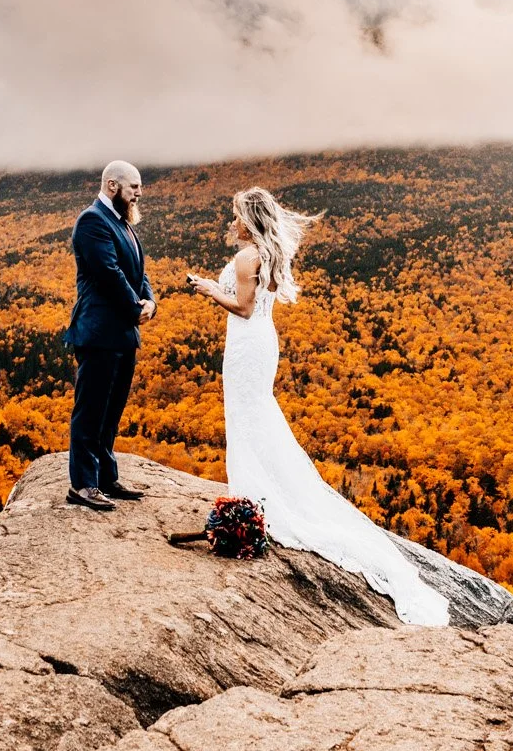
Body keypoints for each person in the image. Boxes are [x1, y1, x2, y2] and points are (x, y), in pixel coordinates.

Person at [188, 188, 449, 626]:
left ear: (249, 220)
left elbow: (244, 309)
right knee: (256, 417)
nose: (230, 223)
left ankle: (254, 500)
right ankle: (255, 495)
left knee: (245, 417)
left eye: (234, 216)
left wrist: (208, 289)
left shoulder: (245, 258)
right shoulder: (266, 253)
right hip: (262, 345)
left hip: (247, 345)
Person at [65, 160, 155, 510]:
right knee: (90, 411)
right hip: (98, 332)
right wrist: (136, 308)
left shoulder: (124, 225)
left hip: (122, 335)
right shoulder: (92, 221)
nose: (138, 193)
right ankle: (83, 485)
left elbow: (137, 273)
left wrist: (150, 302)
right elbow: (108, 273)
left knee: (111, 410)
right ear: (113, 185)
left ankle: (105, 477)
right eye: (134, 187)